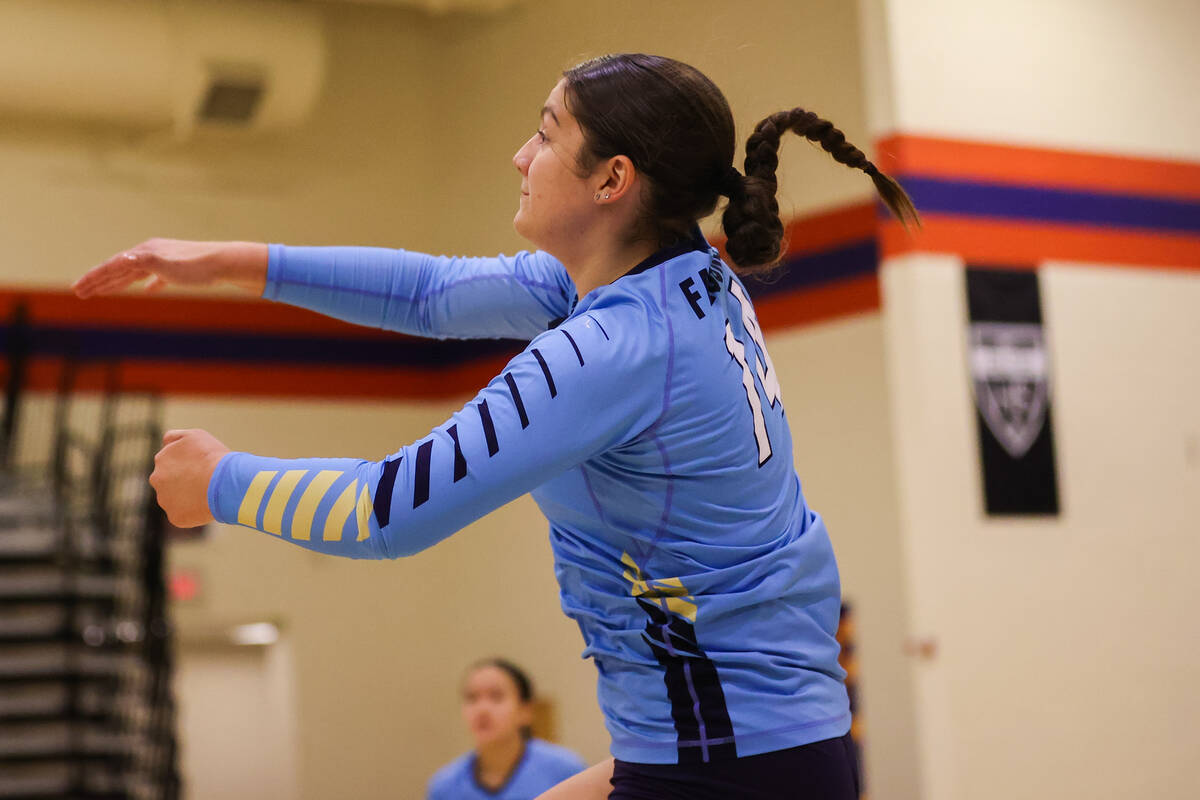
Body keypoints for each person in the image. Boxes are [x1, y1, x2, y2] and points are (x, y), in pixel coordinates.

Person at [73, 53, 916, 799]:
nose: (521, 155)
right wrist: (226, 262)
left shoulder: (613, 348)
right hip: (748, 744)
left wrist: (219, 482)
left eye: (546, 136)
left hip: (732, 760)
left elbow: (384, 512)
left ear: (611, 179)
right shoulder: (679, 276)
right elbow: (430, 294)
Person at [428, 659, 586, 800]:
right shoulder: (445, 786)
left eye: (496, 696)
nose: (482, 709)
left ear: (526, 710)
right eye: (472, 698)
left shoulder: (564, 771)